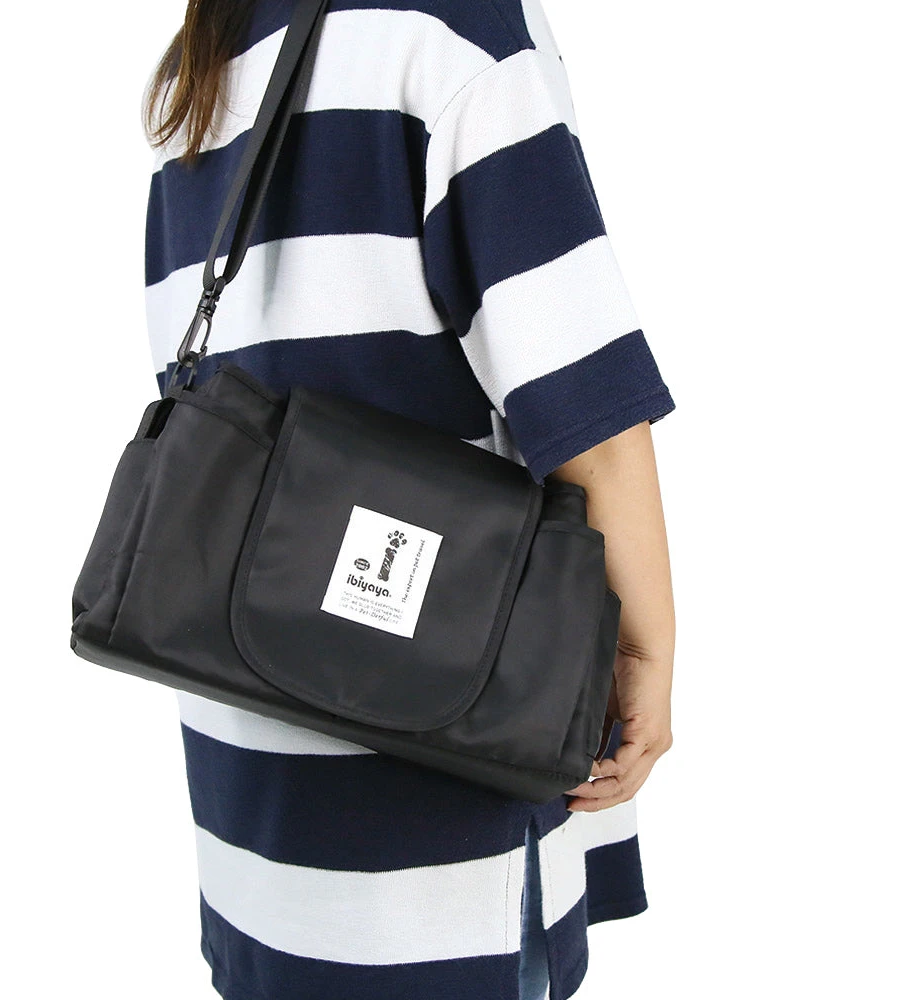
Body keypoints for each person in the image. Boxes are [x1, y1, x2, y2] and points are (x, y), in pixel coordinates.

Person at [141, 1, 676, 998]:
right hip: (446, 810)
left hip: (258, 825)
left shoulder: (202, 60)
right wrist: (643, 654)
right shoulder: (455, 25)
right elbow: (587, 415)